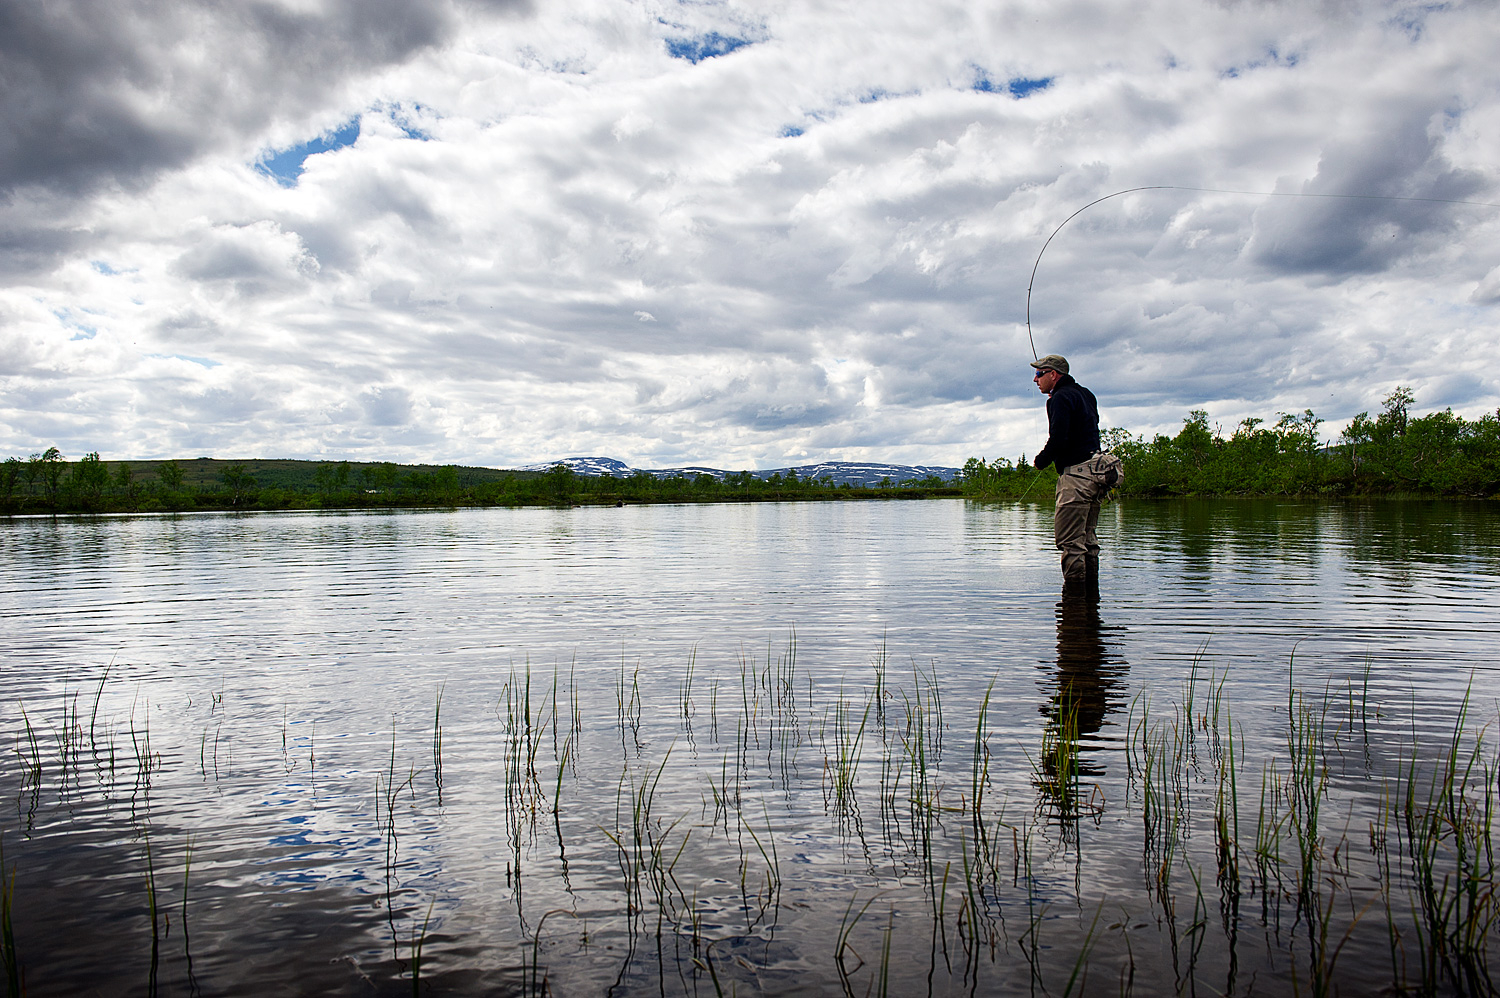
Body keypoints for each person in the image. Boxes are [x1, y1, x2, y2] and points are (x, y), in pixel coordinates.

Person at [1030, 354, 1105, 590]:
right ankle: (1090, 602)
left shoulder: (1059, 398)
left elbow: (1059, 439)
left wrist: (1040, 461)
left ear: (1054, 375)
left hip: (1076, 477)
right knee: (1088, 540)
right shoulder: (1086, 394)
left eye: (1040, 374)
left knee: (1071, 543)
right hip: (1096, 474)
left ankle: (1073, 604)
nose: (1035, 379)